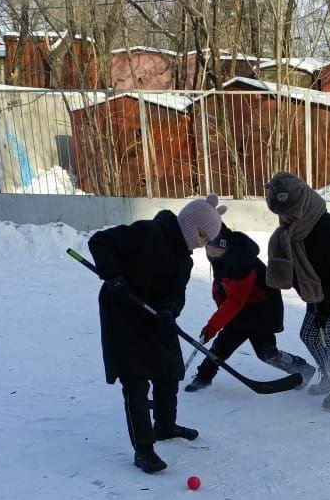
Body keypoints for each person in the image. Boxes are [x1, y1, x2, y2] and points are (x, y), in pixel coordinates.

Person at [87, 195, 225, 474]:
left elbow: (177, 294)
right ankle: (144, 449)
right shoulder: (147, 232)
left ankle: (164, 425)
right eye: (201, 234)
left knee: (168, 368)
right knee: (135, 380)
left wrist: (169, 311)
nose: (201, 243)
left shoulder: (183, 262)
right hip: (122, 313)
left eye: (205, 239)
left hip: (153, 316)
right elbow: (100, 241)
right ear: (189, 223)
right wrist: (114, 277)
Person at [263, 172, 330, 410]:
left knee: (329, 330)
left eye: (288, 213)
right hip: (318, 293)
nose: (284, 219)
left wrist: (326, 309)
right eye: (280, 214)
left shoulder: (327, 228)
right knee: (308, 333)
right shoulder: (294, 232)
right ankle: (327, 374)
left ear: (301, 205)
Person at [184, 222, 316, 392]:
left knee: (266, 353)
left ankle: (301, 368)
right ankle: (203, 377)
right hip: (241, 309)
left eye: (214, 248)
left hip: (263, 311)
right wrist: (222, 311)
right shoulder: (220, 258)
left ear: (225, 246)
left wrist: (213, 325)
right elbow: (221, 286)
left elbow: (235, 301)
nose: (210, 252)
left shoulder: (243, 263)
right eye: (208, 248)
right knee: (221, 346)